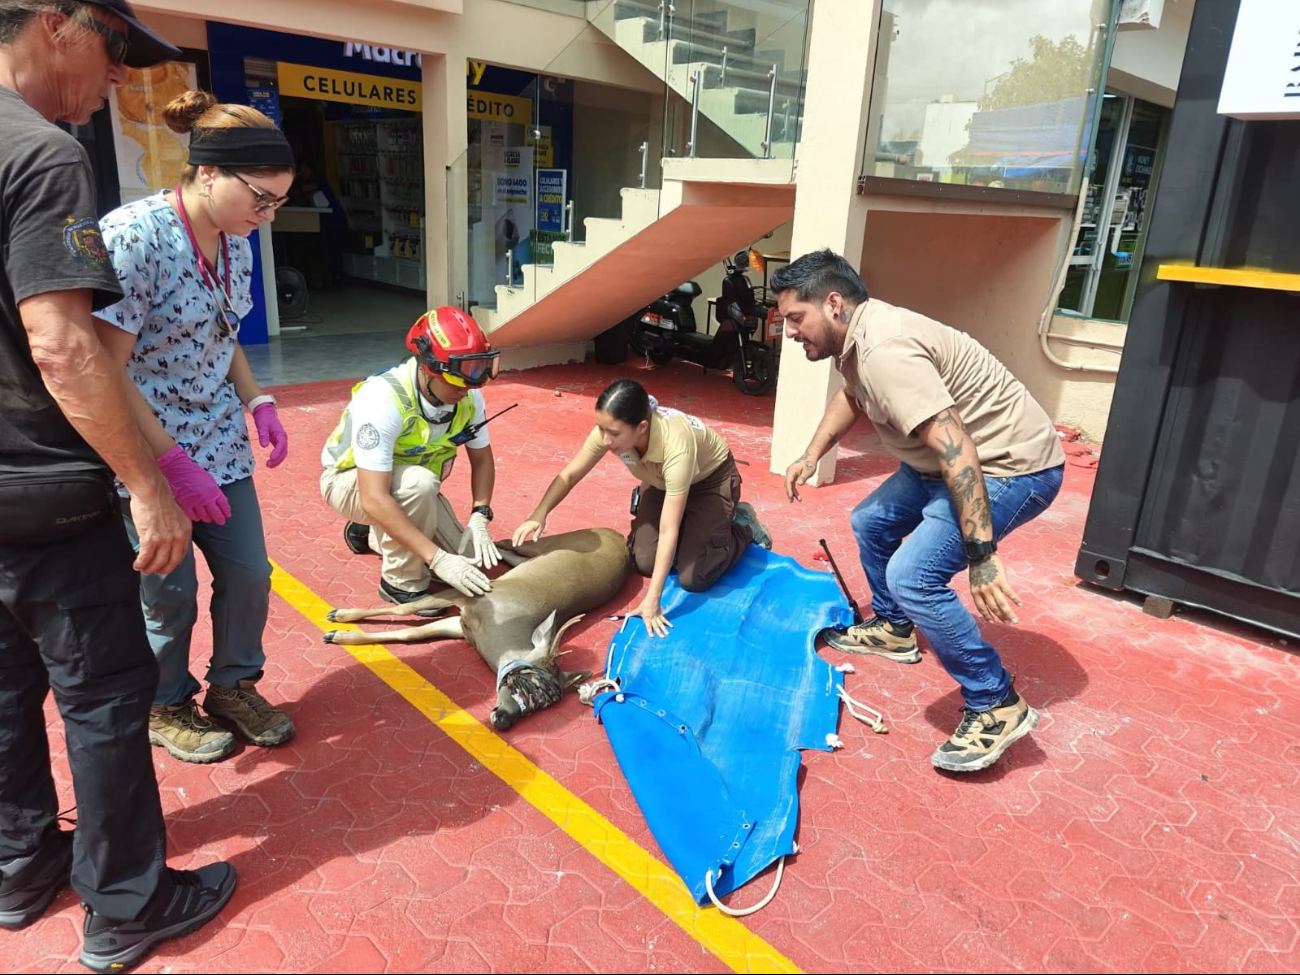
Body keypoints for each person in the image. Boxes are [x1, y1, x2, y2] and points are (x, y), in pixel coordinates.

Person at [0, 0, 233, 968]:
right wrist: (148, 481)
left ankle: (19, 869)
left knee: (5, 694)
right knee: (101, 696)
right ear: (57, 23)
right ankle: (128, 902)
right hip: (47, 494)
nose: (117, 83)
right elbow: (65, 345)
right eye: (112, 55)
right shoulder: (46, 157)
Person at [774, 249, 1066, 773]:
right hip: (944, 463)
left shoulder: (886, 350)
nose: (790, 332)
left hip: (1009, 466)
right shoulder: (855, 340)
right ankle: (895, 628)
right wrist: (811, 452)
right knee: (871, 521)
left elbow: (959, 448)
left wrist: (981, 554)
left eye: (796, 318)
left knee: (915, 575)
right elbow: (852, 397)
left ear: (834, 303)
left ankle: (996, 702)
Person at [94, 88, 296, 765]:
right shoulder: (135, 236)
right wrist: (169, 464)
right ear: (209, 173)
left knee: (250, 575)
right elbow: (107, 370)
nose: (266, 216)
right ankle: (166, 701)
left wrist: (257, 398)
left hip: (218, 441)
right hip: (150, 449)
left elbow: (223, 329)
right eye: (260, 200)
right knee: (169, 592)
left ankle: (234, 685)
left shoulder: (235, 240)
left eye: (278, 204)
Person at [513, 379, 771, 638]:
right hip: (660, 482)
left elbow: (669, 530)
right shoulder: (611, 430)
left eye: (613, 433)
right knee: (643, 561)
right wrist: (539, 514)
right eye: (601, 428)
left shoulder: (676, 444)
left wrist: (653, 600)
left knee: (695, 577)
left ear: (642, 427)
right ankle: (698, 529)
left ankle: (743, 523)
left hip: (708, 482)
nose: (605, 439)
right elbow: (570, 474)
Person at [321, 306, 502, 604]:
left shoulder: (468, 396)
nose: (469, 386)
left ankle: (369, 532)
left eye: (478, 370)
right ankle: (400, 582)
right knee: (419, 487)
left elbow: (482, 459)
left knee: (471, 561)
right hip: (350, 483)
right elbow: (373, 498)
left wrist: (480, 515)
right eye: (462, 376)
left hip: (408, 489)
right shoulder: (383, 399)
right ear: (428, 368)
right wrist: (436, 559)